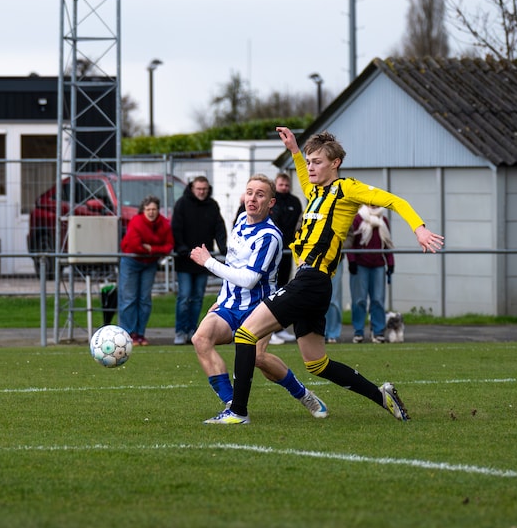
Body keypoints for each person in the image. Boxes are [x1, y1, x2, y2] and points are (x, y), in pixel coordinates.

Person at [204, 127, 444, 425]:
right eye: (309, 161)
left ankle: (237, 411)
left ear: (335, 163)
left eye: (317, 161)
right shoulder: (315, 192)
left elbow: (395, 201)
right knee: (317, 363)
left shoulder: (347, 189)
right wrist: (294, 150)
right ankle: (382, 395)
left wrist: (419, 228)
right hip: (313, 283)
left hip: (312, 280)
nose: (311, 167)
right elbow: (305, 177)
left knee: (246, 335)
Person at [190, 175, 327, 422]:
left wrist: (208, 261)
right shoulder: (241, 219)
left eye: (260, 194)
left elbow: (249, 279)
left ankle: (304, 395)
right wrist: (223, 298)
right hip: (230, 306)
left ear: (271, 202)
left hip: (259, 308)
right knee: (200, 339)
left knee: (259, 359)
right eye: (250, 192)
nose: (252, 198)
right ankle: (233, 406)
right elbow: (234, 264)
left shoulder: (270, 236)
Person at [171, 176, 227, 345]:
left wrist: (223, 247)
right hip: (185, 260)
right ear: (192, 188)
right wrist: (181, 249)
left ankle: (192, 330)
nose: (202, 192)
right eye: (198, 189)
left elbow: (219, 228)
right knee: (185, 296)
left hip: (204, 259)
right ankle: (180, 331)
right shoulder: (182, 204)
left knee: (197, 298)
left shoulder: (212, 205)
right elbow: (176, 228)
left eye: (204, 189)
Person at [117, 195, 173, 346]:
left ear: (158, 210)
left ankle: (140, 334)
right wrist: (156, 249)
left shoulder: (164, 223)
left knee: (144, 300)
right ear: (143, 210)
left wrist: (150, 248)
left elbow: (168, 246)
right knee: (129, 298)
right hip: (131, 262)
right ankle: (128, 334)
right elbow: (135, 245)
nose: (151, 212)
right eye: (148, 209)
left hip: (149, 263)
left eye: (154, 209)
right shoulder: (136, 221)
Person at [267, 172, 304, 345]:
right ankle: (267, 331)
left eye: (286, 185)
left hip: (287, 252)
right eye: (281, 185)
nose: (284, 188)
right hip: (271, 252)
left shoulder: (295, 202)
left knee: (282, 289)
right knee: (270, 289)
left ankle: (279, 328)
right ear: (276, 185)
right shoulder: (271, 201)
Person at [348, 204, 394, 343]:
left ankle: (378, 331)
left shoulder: (383, 220)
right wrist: (352, 261)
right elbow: (351, 242)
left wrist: (390, 263)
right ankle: (358, 331)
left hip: (379, 265)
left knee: (378, 299)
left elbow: (387, 243)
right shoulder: (357, 219)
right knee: (359, 300)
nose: (373, 205)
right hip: (360, 265)